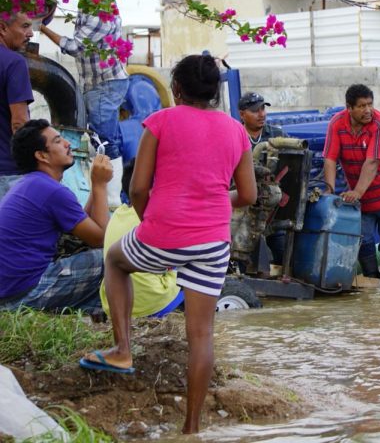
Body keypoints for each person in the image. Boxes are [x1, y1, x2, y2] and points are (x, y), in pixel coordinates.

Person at [83, 54, 257, 435]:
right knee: (201, 335)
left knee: (115, 261)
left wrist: (152, 228)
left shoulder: (161, 120)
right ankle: (192, 427)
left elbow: (138, 188)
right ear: (214, 92)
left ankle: (122, 349)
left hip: (164, 231)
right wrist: (215, 202)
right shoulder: (236, 130)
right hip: (213, 242)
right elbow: (247, 194)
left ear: (176, 90)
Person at [0, 119, 112, 313]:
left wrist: (95, 183)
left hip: (9, 292)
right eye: (58, 141)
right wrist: (101, 185)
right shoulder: (50, 190)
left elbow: (83, 226)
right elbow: (101, 238)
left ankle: (98, 312)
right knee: (113, 259)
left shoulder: (30, 184)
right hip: (24, 295)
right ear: (42, 155)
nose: (68, 144)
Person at [322, 84, 380, 288]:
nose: (367, 110)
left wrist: (357, 192)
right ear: (349, 108)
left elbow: (372, 162)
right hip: (361, 196)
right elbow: (329, 159)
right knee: (362, 238)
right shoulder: (337, 124)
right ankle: (371, 280)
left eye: (370, 104)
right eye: (361, 106)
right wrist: (329, 190)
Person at [39, 11, 128, 207]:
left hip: (104, 83)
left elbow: (74, 47)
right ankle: (111, 196)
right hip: (99, 83)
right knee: (107, 139)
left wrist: (41, 27)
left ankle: (111, 200)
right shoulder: (90, 8)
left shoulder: (99, 14)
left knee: (104, 140)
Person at [97, 159, 184, 318]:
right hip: (151, 304)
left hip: (113, 306)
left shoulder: (119, 213)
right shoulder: (157, 217)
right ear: (152, 191)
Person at [238, 91, 286, 265]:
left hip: (272, 207)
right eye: (256, 110)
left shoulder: (277, 135)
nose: (262, 114)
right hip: (244, 207)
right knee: (243, 254)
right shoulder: (235, 135)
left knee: (281, 250)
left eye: (263, 109)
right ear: (242, 114)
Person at [0, 10, 34, 198]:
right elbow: (19, 123)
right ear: (2, 28)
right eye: (25, 26)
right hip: (7, 172)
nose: (31, 33)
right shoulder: (14, 63)